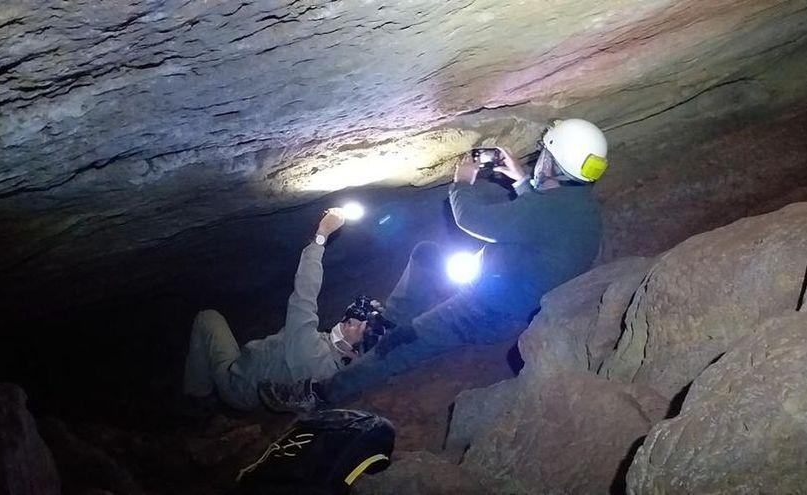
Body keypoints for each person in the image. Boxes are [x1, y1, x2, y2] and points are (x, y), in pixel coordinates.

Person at [259, 118, 607, 412]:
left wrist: (461, 183)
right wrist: (519, 180)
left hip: (489, 310)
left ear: (552, 162)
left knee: (403, 343)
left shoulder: (552, 209)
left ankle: (318, 394)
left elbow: (473, 220)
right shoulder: (576, 204)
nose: (539, 157)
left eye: (545, 152)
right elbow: (540, 219)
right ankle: (388, 321)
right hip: (506, 284)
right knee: (426, 255)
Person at [183, 207, 365, 410]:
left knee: (207, 318)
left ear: (353, 354)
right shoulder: (331, 361)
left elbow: (305, 293)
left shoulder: (312, 353)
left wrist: (322, 234)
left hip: (238, 385)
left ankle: (198, 396)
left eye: (359, 329)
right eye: (363, 319)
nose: (356, 321)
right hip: (258, 383)